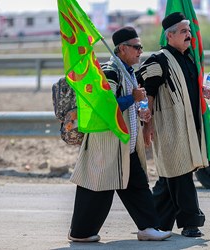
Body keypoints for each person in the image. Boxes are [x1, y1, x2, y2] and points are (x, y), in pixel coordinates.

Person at [67, 26, 172, 242]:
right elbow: (106, 107)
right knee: (97, 189)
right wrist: (131, 99)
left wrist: (139, 110)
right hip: (107, 144)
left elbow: (126, 105)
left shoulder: (129, 72)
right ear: (122, 49)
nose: (140, 51)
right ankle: (80, 233)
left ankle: (148, 227)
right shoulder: (110, 71)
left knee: (138, 186)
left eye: (140, 47)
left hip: (126, 146)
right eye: (136, 47)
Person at [136, 12, 210, 237]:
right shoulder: (157, 59)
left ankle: (156, 222)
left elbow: (189, 86)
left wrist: (203, 91)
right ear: (169, 36)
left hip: (190, 124)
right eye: (183, 32)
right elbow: (147, 93)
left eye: (189, 31)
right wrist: (146, 123)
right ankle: (191, 223)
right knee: (180, 172)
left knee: (170, 176)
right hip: (170, 126)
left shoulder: (188, 57)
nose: (189, 35)